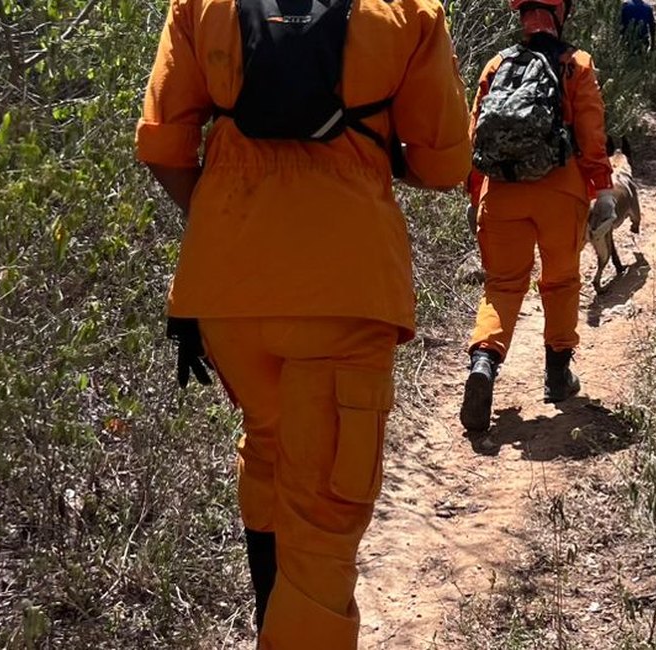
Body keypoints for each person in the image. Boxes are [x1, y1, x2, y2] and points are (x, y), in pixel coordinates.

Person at [134, 0, 472, 646]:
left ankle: (272, 623)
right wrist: (375, 147)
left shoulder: (201, 5)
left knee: (269, 445)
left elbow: (162, 142)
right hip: (345, 293)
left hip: (227, 290)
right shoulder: (408, 10)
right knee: (322, 521)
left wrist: (223, 231)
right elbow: (446, 164)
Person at [460, 0, 616, 432]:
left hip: (501, 193)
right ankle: (557, 375)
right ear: (560, 14)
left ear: (522, 16)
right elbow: (591, 136)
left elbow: (475, 136)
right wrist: (601, 190)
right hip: (559, 192)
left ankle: (484, 362)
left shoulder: (496, 65)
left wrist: (476, 194)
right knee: (561, 281)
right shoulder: (576, 65)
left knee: (503, 285)